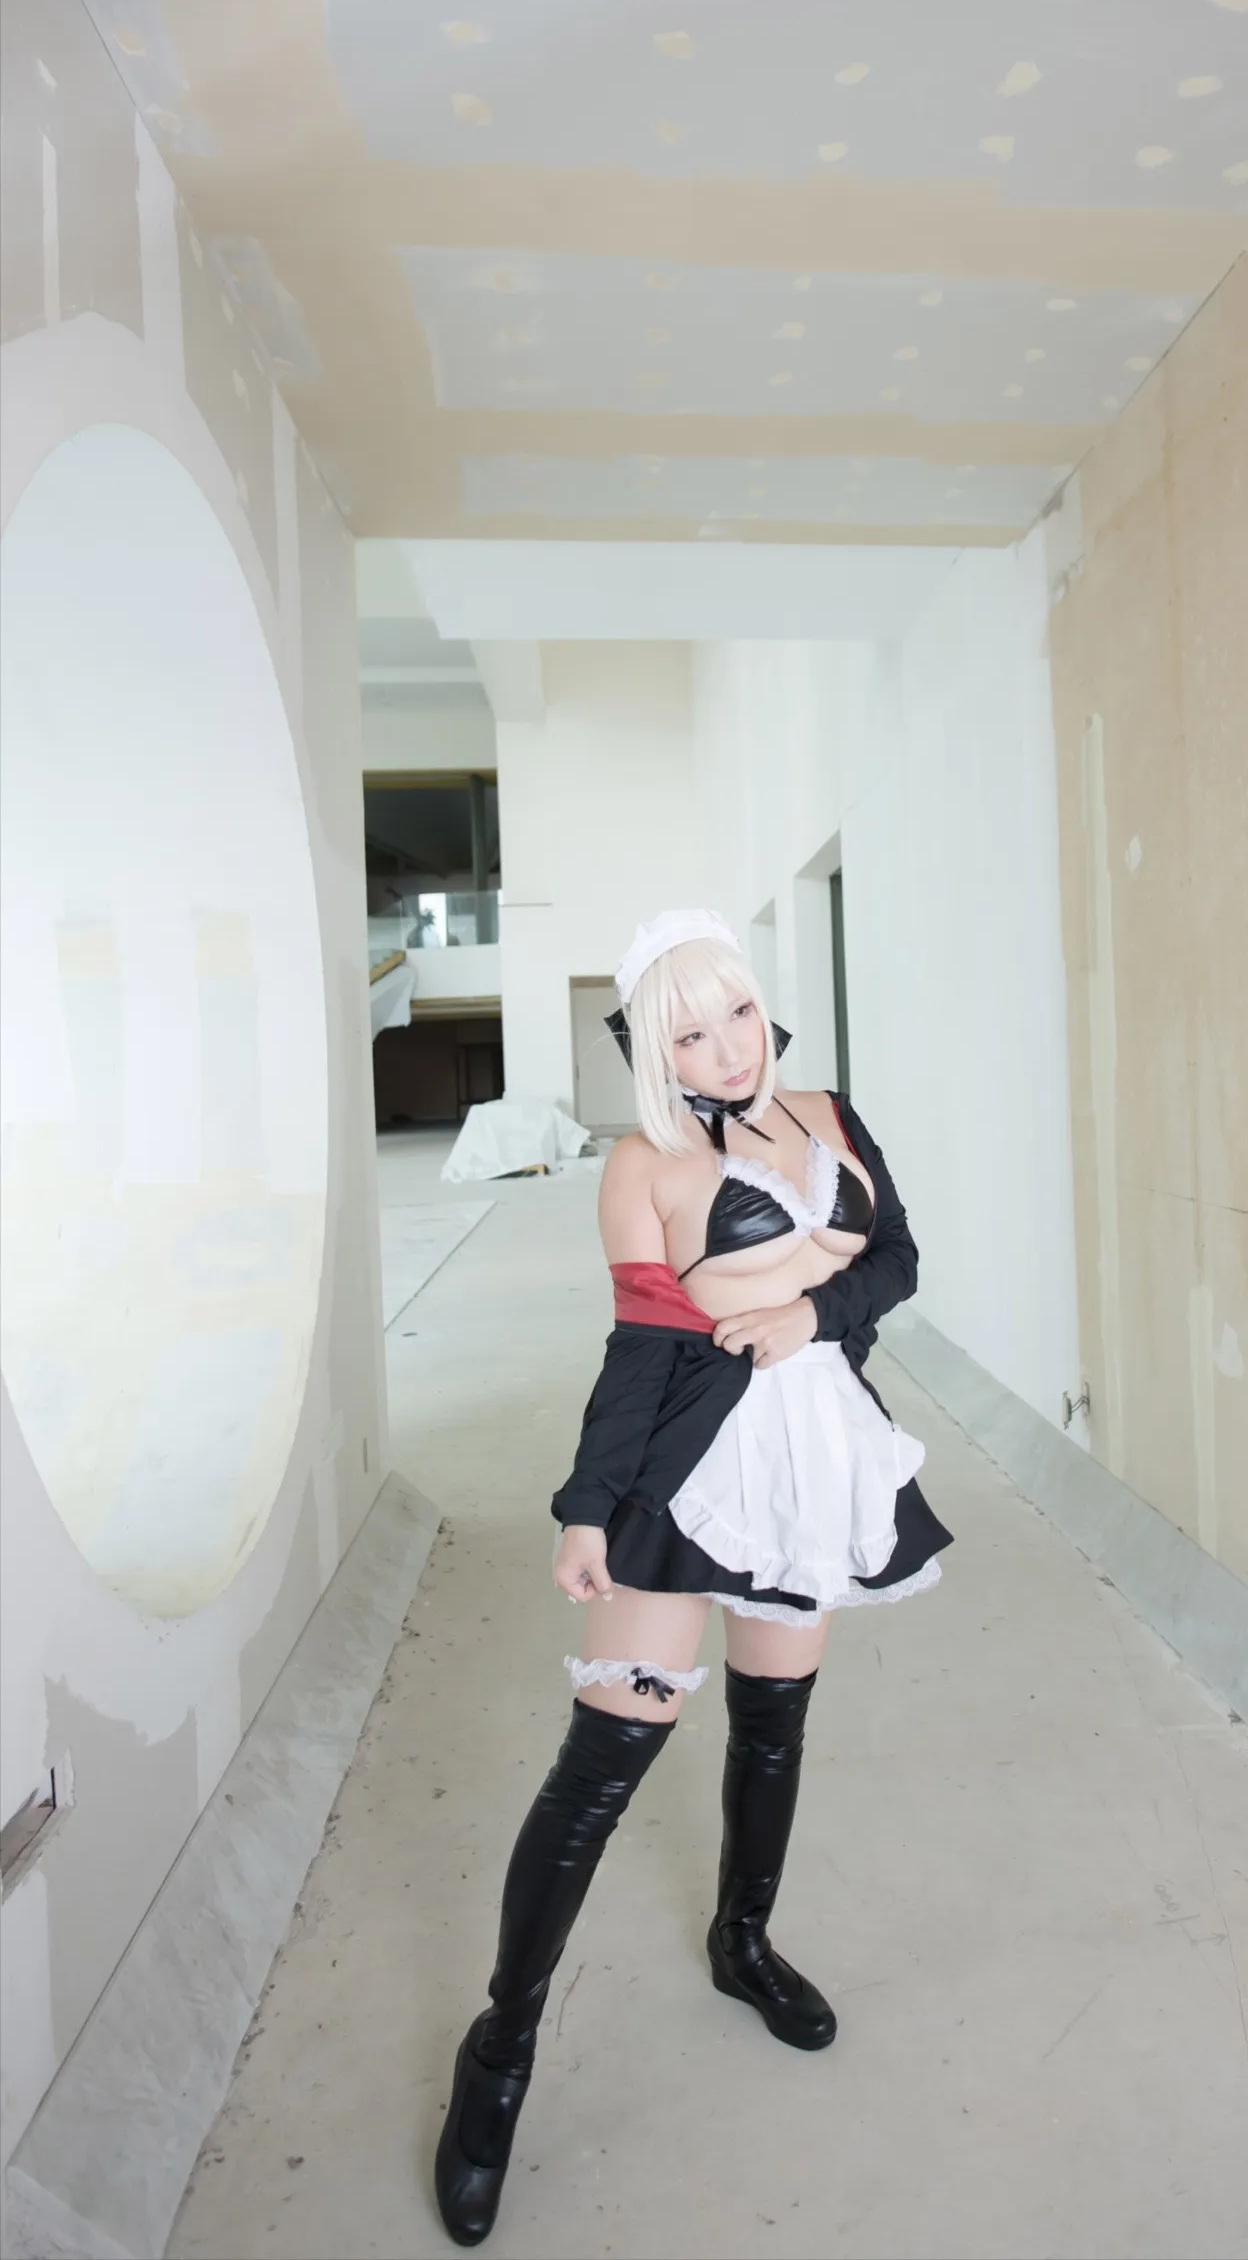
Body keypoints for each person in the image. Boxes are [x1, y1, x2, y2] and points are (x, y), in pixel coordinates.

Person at [434, 908, 953, 2246]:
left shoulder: (829, 1114)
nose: (726, 1048)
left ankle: (743, 1944)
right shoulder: (642, 1165)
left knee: (775, 1725)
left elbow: (896, 1258)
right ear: (650, 1051)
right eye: (688, 1034)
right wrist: (586, 1510)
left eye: (736, 1014)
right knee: (608, 1755)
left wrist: (809, 1309)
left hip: (814, 1464)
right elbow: (641, 1349)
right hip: (683, 1469)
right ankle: (500, 2052)